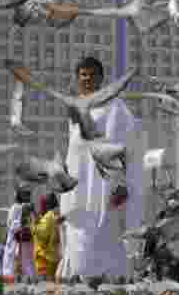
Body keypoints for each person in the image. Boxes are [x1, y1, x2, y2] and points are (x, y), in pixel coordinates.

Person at [58, 57, 145, 280]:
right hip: (77, 183)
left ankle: (110, 280)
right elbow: (72, 146)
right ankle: (76, 280)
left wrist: (121, 182)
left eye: (92, 74)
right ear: (77, 78)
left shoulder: (114, 106)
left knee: (103, 229)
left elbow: (123, 144)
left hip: (103, 183)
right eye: (83, 74)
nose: (87, 79)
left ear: (101, 78)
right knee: (77, 228)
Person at [1, 187, 35, 282]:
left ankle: (29, 279)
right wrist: (22, 221)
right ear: (20, 195)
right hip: (15, 240)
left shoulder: (28, 206)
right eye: (26, 194)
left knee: (27, 260)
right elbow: (11, 225)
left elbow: (33, 222)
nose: (28, 196)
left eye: (29, 194)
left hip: (26, 239)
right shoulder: (15, 207)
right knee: (12, 261)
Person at [32, 193, 62, 281]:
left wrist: (34, 225)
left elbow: (42, 233)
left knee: (47, 284)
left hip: (45, 256)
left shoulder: (48, 216)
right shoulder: (58, 213)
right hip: (55, 254)